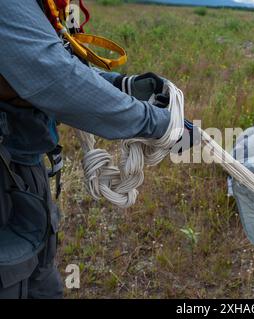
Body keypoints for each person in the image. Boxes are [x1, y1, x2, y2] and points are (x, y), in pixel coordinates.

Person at [0, 0, 192, 299]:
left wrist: (121, 85)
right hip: (5, 177)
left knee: (40, 274)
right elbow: (55, 79)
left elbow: (55, 60)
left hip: (22, 168)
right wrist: (160, 125)